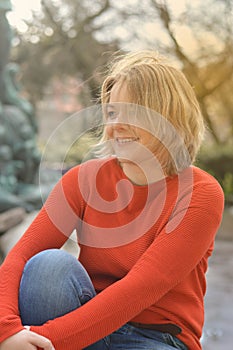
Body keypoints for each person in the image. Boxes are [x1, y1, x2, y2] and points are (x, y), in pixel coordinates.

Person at [0, 50, 224, 350]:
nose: (116, 124)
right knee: (48, 267)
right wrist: (6, 331)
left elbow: (139, 290)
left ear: (168, 117)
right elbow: (19, 257)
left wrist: (43, 344)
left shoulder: (200, 192)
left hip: (157, 337)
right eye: (112, 112)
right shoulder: (83, 180)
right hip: (81, 324)